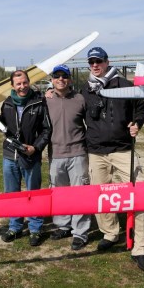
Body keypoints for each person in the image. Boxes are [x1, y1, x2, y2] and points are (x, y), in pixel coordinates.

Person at [81, 46, 144, 273]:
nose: (95, 65)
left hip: (123, 150)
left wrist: (137, 124)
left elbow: (141, 108)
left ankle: (140, 248)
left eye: (99, 61)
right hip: (96, 152)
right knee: (101, 196)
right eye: (92, 62)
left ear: (107, 61)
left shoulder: (125, 85)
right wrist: (50, 94)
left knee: (141, 194)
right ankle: (110, 233)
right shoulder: (85, 89)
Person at [0, 70, 52, 247]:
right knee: (12, 194)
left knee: (33, 194)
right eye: (18, 84)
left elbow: (46, 130)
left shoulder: (38, 102)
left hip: (30, 155)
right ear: (12, 85)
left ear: (29, 82)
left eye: (25, 82)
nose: (22, 86)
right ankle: (15, 227)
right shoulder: (7, 103)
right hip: (10, 155)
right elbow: (2, 126)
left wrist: (36, 148)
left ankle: (35, 228)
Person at [45, 64, 91, 250]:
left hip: (78, 153)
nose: (61, 79)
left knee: (80, 194)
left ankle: (80, 232)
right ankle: (63, 225)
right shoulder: (46, 100)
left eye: (64, 76)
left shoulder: (80, 99)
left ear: (70, 79)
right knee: (59, 193)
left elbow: (92, 122)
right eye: (57, 76)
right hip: (56, 154)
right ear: (52, 80)